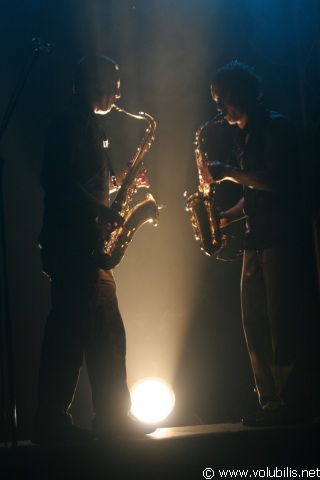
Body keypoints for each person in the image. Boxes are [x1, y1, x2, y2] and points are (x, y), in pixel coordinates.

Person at [31, 54, 155, 445]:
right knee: (70, 332)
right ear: (91, 83)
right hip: (71, 245)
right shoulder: (68, 121)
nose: (118, 92)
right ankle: (50, 422)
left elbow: (84, 182)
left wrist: (119, 188)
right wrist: (101, 207)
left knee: (107, 333)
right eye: (113, 83)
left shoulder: (93, 124)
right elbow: (54, 179)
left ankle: (114, 418)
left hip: (88, 244)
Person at [200, 60, 316, 427]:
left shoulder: (277, 127)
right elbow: (253, 194)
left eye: (224, 99)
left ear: (244, 91)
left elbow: (278, 181)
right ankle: (269, 402)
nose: (220, 108)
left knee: (282, 323)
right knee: (255, 323)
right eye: (216, 101)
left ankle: (290, 402)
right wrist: (229, 216)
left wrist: (230, 173)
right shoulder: (242, 135)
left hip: (281, 237)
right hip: (257, 238)